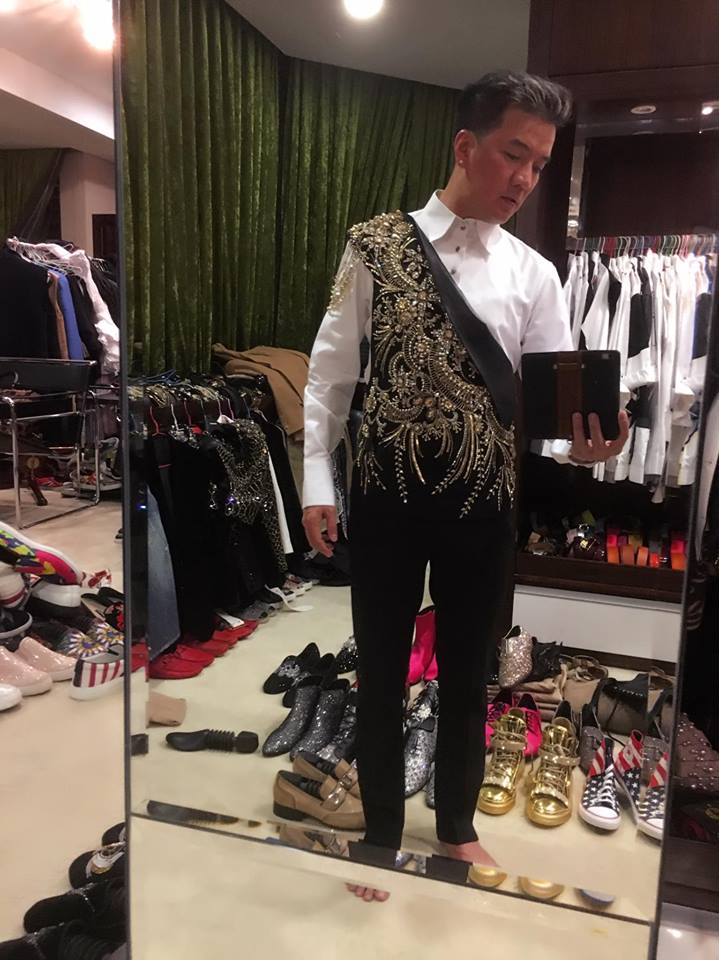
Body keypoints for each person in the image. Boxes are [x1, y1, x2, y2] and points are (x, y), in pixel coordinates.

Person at [302, 71, 629, 903]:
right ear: (464, 146)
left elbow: (551, 414)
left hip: (482, 504)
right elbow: (329, 377)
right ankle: (380, 830)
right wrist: (314, 481)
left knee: (466, 672)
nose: (524, 179)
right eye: (513, 154)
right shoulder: (373, 246)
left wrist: (591, 444)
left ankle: (454, 822)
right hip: (383, 496)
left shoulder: (534, 275)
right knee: (380, 668)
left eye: (538, 164)